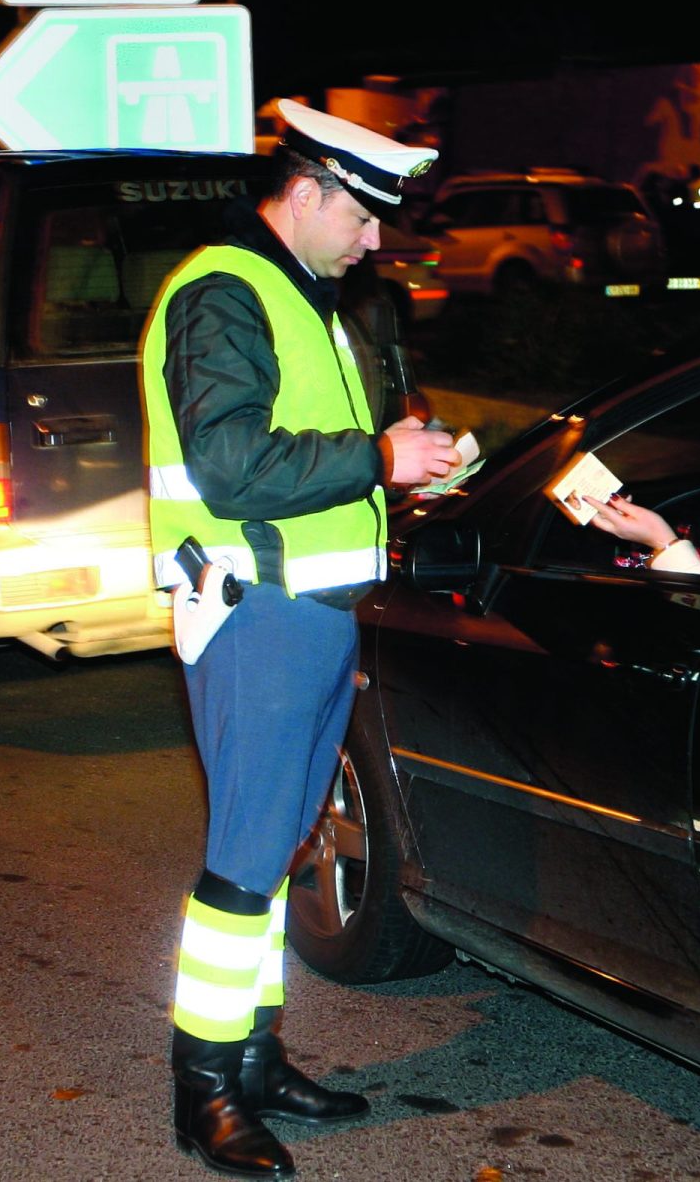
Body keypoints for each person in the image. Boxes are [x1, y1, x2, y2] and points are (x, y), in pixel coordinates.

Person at [140, 98, 462, 1179]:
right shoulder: (226, 290)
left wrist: (404, 458)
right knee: (241, 866)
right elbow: (232, 466)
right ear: (309, 191)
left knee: (275, 850)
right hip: (256, 613)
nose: (375, 241)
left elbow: (301, 451)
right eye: (364, 218)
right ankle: (204, 1091)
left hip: (307, 612)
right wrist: (379, 458)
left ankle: (258, 1056)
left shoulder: (294, 291)